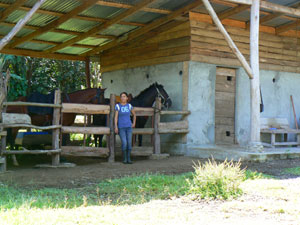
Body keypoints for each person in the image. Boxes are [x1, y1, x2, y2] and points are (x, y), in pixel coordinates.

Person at [114, 92, 136, 164]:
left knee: (129, 143)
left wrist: (133, 123)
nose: (123, 98)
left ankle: (129, 159)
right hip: (121, 127)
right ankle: (124, 158)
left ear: (127, 98)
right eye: (122, 97)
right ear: (120, 98)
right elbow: (116, 117)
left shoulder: (129, 106)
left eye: (124, 96)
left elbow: (134, 115)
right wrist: (116, 126)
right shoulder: (118, 106)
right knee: (124, 142)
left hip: (129, 127)